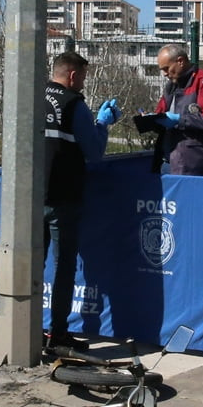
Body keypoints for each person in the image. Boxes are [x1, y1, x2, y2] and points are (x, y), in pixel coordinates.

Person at [43, 51, 119, 350]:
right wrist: (102, 122)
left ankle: (27, 327)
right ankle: (58, 334)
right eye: (83, 77)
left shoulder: (33, 97)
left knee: (33, 264)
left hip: (32, 195)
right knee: (63, 267)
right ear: (73, 75)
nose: (83, 83)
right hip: (63, 196)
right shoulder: (73, 104)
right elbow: (95, 151)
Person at [151, 43, 203, 175]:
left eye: (166, 69)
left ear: (180, 61)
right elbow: (161, 113)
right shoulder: (171, 87)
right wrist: (151, 119)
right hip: (168, 160)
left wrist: (179, 120)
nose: (164, 74)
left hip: (193, 164)